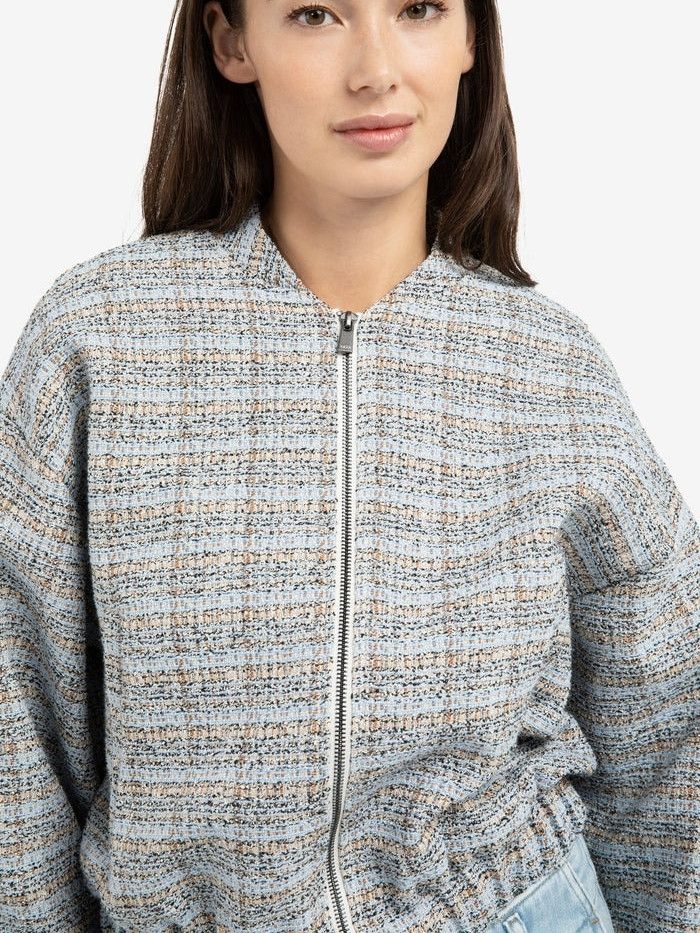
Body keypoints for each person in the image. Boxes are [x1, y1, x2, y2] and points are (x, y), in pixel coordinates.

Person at [0, 0, 697, 931]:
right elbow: (18, 719)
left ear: (470, 37)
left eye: (419, 9)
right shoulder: (100, 340)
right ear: (231, 41)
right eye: (315, 14)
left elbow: (669, 731)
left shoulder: (552, 367)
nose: (375, 69)